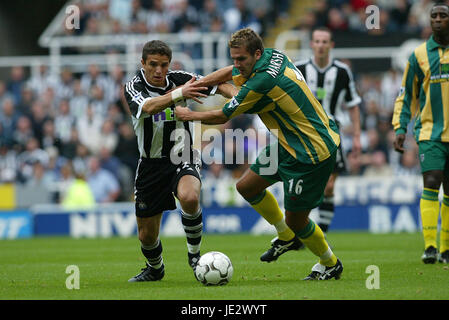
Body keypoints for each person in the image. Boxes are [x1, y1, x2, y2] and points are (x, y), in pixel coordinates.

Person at [175, 28, 344, 280]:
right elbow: (230, 75)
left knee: (297, 220)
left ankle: (330, 263)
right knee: (247, 187)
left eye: (241, 59)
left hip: (311, 152)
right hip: (288, 143)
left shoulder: (262, 81)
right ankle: (285, 236)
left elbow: (225, 113)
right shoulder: (271, 56)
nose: (236, 64)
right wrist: (203, 83)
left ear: (256, 54)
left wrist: (190, 115)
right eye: (234, 58)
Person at [123, 40, 234, 282]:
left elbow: (217, 84)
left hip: (182, 155)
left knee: (190, 197)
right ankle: (155, 268)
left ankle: (194, 256)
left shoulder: (181, 78)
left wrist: (238, 97)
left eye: (163, 65)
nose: (158, 71)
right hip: (150, 164)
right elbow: (150, 107)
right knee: (146, 236)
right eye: (153, 64)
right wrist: (181, 93)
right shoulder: (134, 87)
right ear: (143, 63)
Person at [393, 2, 449, 264]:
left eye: (443, 16)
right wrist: (400, 127)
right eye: (434, 16)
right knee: (431, 181)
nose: (438, 20)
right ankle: (430, 246)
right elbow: (406, 95)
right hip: (430, 132)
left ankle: (446, 249)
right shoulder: (418, 55)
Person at [294, 27, 362, 239]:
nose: (321, 45)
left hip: (332, 133)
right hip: (304, 134)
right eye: (317, 41)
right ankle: (299, 230)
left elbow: (353, 104)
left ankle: (320, 233)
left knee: (329, 186)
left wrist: (358, 136)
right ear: (312, 44)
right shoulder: (299, 69)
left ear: (331, 45)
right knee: (303, 186)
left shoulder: (342, 71)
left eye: (325, 42)